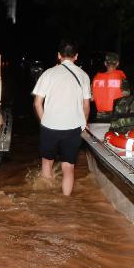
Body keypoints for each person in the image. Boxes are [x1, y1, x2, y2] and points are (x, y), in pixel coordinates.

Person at [32, 39, 91, 196]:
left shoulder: (48, 74)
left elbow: (37, 103)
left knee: (47, 163)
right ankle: (66, 202)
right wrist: (83, 124)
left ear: (58, 55)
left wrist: (45, 122)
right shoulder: (84, 76)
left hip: (50, 126)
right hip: (73, 127)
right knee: (68, 167)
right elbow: (86, 105)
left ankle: (46, 199)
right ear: (76, 56)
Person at [91, 52, 130, 122]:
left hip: (101, 117)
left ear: (105, 63)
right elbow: (126, 97)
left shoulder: (96, 78)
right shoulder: (122, 78)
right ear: (117, 63)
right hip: (116, 117)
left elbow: (91, 98)